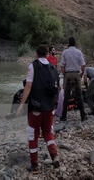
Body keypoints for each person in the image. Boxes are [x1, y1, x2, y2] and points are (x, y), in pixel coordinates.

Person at [16, 45, 60, 173]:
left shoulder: (33, 66)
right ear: (47, 54)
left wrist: (21, 106)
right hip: (49, 108)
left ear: (36, 54)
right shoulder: (53, 68)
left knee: (33, 134)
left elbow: (28, 86)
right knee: (47, 132)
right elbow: (59, 88)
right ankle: (54, 156)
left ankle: (35, 165)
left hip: (36, 108)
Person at [60, 37, 87, 122]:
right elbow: (83, 65)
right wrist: (81, 74)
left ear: (68, 43)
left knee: (66, 96)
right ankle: (83, 116)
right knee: (79, 96)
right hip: (76, 74)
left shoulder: (65, 52)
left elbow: (62, 66)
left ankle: (64, 116)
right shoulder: (79, 52)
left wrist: (65, 75)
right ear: (75, 43)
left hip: (68, 74)